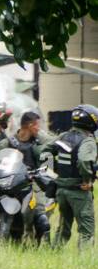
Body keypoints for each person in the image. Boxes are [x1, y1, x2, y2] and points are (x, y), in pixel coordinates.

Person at [47, 103, 97, 249]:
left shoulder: (63, 136)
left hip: (61, 190)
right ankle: (84, 262)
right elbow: (83, 160)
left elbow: (44, 152)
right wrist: (87, 180)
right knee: (86, 230)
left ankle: (54, 254)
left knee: (63, 226)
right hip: (79, 191)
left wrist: (51, 173)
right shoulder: (88, 141)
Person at [10, 110, 53, 242]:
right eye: (36, 125)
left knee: (39, 212)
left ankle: (37, 242)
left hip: (34, 181)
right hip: (13, 181)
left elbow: (53, 145)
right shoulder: (10, 141)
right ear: (29, 125)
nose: (38, 128)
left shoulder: (40, 141)